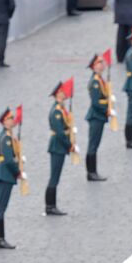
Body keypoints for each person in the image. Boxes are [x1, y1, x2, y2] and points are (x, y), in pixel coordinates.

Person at [0, 106, 21, 249]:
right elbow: (9, 160)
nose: (12, 120)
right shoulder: (6, 138)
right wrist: (18, 172)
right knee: (1, 207)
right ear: (4, 122)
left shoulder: (6, 136)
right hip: (5, 174)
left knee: (1, 207)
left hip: (4, 173)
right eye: (10, 118)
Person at [45, 79, 75, 216]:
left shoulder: (61, 109)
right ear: (58, 94)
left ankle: (51, 205)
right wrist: (69, 146)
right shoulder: (57, 112)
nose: (65, 93)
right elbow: (59, 132)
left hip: (59, 146)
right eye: (63, 92)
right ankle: (50, 206)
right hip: (58, 146)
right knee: (54, 176)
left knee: (56, 176)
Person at [85, 52, 111, 182]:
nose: (102, 64)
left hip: (99, 115)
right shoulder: (95, 82)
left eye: (102, 62)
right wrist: (107, 109)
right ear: (94, 66)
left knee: (95, 143)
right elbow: (96, 102)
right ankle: (91, 172)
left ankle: (92, 171)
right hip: (96, 116)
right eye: (99, 62)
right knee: (93, 144)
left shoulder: (100, 79)